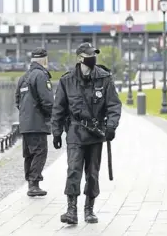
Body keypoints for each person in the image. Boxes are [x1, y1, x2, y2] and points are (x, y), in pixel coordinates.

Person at [51, 43, 122, 224]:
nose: (93, 58)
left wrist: (111, 127)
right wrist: (57, 132)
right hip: (75, 132)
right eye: (89, 55)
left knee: (92, 173)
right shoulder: (67, 81)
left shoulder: (104, 78)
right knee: (73, 171)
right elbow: (58, 108)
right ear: (80, 58)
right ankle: (71, 210)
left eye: (94, 54)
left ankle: (89, 209)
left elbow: (114, 105)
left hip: (96, 133)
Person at [15, 47, 54, 197]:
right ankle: (34, 183)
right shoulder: (41, 76)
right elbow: (47, 101)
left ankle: (31, 183)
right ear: (44, 60)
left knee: (29, 154)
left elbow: (17, 101)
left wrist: (26, 115)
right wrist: (51, 116)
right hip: (37, 123)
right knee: (40, 152)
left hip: (25, 124)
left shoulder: (23, 77)